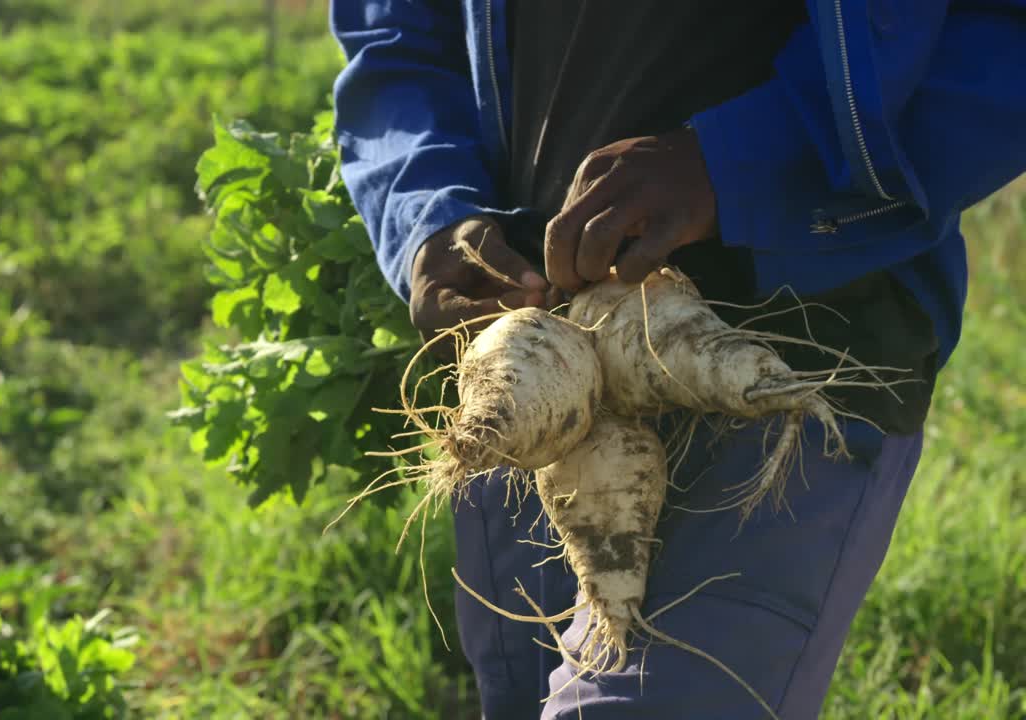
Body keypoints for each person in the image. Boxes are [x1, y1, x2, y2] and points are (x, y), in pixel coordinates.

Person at [329, 2, 1026, 718]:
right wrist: (429, 215)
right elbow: (395, 35)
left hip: (809, 328)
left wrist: (742, 156)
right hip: (530, 358)